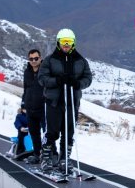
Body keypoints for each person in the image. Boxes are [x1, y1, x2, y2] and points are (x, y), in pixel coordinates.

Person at [37, 29, 93, 172]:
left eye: (69, 42)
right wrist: (57, 80)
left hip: (72, 102)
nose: (66, 45)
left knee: (68, 132)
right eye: (63, 42)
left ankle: (65, 159)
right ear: (58, 42)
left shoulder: (80, 61)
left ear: (74, 43)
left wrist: (78, 83)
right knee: (52, 131)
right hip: (54, 102)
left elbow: (88, 78)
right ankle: (46, 157)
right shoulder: (50, 60)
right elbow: (42, 78)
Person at [21, 49, 46, 164]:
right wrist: (23, 104)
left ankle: (50, 156)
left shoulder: (45, 71)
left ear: (40, 58)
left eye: (36, 58)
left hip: (43, 108)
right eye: (31, 59)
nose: (34, 61)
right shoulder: (27, 72)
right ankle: (37, 155)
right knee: (34, 133)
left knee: (48, 134)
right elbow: (25, 89)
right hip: (30, 108)